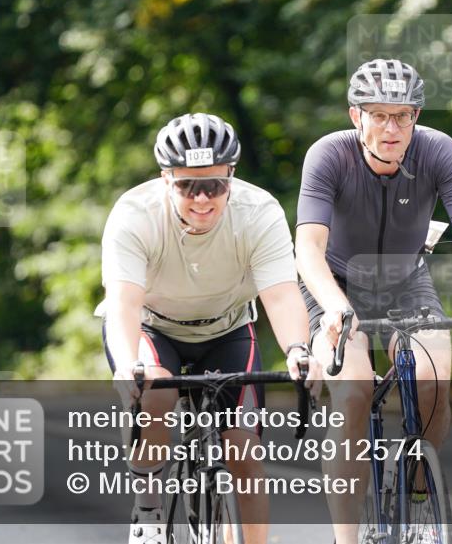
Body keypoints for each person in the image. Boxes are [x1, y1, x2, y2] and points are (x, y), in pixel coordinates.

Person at [295, 58, 452, 543]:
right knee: (352, 394)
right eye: (378, 115)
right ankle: (346, 538)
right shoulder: (328, 155)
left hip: (404, 281)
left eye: (403, 116)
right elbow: (307, 247)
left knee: (434, 376)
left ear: (416, 116)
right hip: (336, 283)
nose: (391, 127)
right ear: (356, 116)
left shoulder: (438, 151)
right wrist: (333, 306)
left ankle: (418, 498)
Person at [98, 113, 322, 544]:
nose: (202, 199)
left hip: (227, 328)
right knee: (156, 390)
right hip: (152, 326)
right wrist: (127, 365)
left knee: (246, 457)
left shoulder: (259, 212)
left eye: (214, 185)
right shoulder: (134, 214)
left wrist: (298, 349)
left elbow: (279, 293)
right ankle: (148, 511)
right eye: (187, 186)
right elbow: (124, 301)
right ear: (166, 179)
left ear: (231, 177)